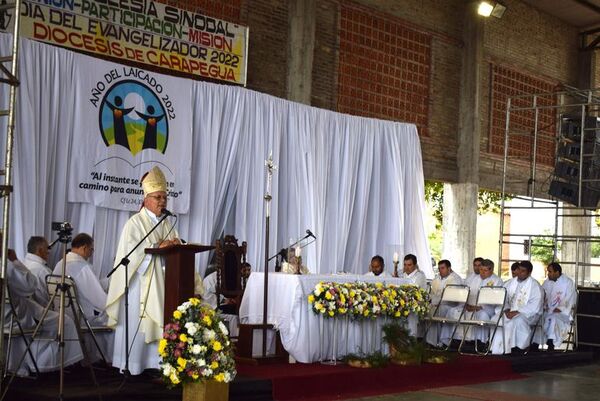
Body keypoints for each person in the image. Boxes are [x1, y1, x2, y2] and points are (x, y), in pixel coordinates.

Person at [106, 166, 187, 375]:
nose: (162, 202)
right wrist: (156, 249)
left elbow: (175, 247)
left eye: (165, 198)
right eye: (158, 197)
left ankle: (156, 365)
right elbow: (130, 255)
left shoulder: (167, 222)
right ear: (146, 199)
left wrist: (176, 243)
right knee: (138, 326)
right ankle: (133, 365)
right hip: (140, 285)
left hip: (164, 284)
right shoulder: (135, 223)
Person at [3, 239, 82, 375]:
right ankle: (62, 362)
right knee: (65, 321)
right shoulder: (10, 266)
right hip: (16, 315)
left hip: (8, 312)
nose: (49, 252)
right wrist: (14, 260)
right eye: (48, 249)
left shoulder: (27, 264)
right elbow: (30, 287)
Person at [441, 259, 503, 348]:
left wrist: (479, 307)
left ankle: (480, 342)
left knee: (482, 315)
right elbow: (465, 292)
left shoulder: (497, 281)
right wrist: (466, 304)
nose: (482, 272)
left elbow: (496, 300)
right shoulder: (474, 278)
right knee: (452, 311)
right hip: (469, 306)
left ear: (491, 270)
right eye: (481, 270)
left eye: (485, 270)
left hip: (486, 308)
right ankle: (452, 340)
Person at [490, 260, 543, 355]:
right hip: (509, 311)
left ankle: (517, 347)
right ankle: (497, 347)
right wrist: (506, 309)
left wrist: (517, 312)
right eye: (519, 270)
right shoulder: (509, 283)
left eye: (523, 271)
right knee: (496, 318)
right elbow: (502, 298)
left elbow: (535, 305)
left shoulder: (535, 286)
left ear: (529, 272)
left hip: (528, 314)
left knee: (517, 321)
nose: (520, 273)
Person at [53, 233, 107, 325]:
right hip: (82, 319)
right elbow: (100, 300)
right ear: (84, 248)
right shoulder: (82, 267)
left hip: (61, 316)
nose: (91, 254)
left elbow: (91, 287)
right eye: (91, 249)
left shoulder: (60, 264)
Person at [202, 262, 251, 337]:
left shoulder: (238, 278)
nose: (247, 272)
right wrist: (224, 300)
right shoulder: (211, 278)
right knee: (234, 317)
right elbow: (206, 295)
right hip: (212, 306)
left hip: (228, 305)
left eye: (249, 270)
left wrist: (234, 300)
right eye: (245, 270)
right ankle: (235, 338)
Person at [425, 259, 463, 347]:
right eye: (439, 268)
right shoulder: (437, 278)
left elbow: (454, 297)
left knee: (437, 310)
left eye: (442, 268)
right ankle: (430, 341)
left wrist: (437, 301)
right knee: (427, 309)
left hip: (450, 306)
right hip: (436, 304)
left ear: (449, 268)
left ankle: (438, 342)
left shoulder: (455, 279)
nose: (440, 271)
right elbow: (431, 293)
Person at [540, 262, 576, 351]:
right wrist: (544, 305)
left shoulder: (568, 282)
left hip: (562, 312)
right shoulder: (547, 282)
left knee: (553, 318)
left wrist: (560, 308)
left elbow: (569, 298)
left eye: (550, 271)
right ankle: (535, 344)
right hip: (548, 310)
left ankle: (551, 343)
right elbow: (542, 295)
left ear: (557, 272)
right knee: (538, 317)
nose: (548, 274)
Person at [23, 236, 51, 305]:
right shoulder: (42, 270)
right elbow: (52, 297)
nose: (48, 252)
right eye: (47, 248)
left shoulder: (22, 265)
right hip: (43, 311)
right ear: (40, 251)